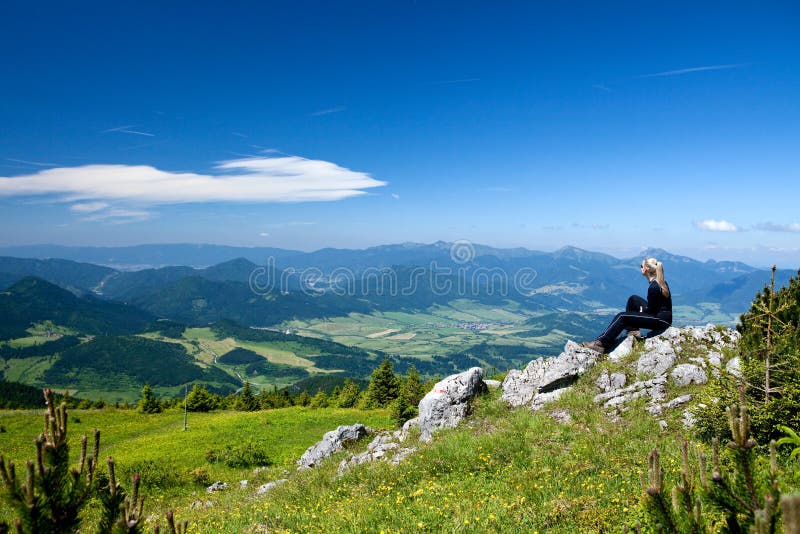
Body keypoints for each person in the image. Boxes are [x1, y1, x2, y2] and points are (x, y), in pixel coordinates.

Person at [582, 257, 672, 353]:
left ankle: (601, 344)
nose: (641, 268)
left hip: (660, 321)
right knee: (633, 299)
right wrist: (644, 310)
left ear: (646, 269)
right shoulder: (659, 282)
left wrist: (644, 311)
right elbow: (657, 306)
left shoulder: (653, 287)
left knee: (622, 316)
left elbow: (652, 311)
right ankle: (633, 331)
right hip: (663, 318)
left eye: (641, 266)